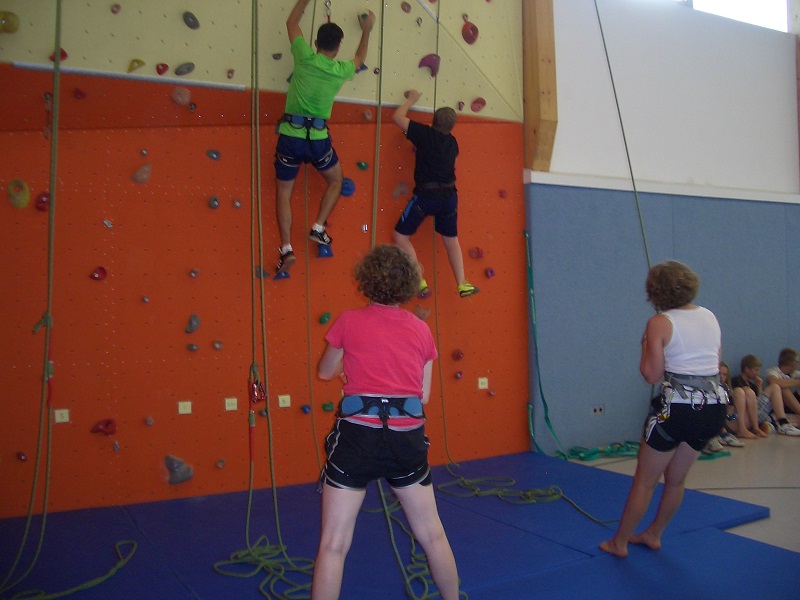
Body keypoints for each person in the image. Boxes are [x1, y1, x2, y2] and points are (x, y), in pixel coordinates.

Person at [313, 245, 460, 600]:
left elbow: (325, 371)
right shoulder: (421, 330)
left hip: (357, 440)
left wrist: (351, 363)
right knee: (433, 535)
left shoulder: (348, 321)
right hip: (405, 440)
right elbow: (423, 395)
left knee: (333, 544)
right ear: (408, 285)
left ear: (366, 281)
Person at [600, 260, 727, 558]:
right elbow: (715, 362)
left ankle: (619, 543)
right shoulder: (709, 315)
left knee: (645, 481)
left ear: (655, 292)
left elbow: (651, 375)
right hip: (713, 408)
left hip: (678, 410)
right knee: (676, 479)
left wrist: (646, 345)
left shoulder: (659, 323)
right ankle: (654, 534)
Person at [273, 1, 375, 275]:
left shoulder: (304, 56)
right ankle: (318, 227)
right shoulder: (341, 70)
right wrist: (366, 30)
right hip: (318, 139)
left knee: (284, 192)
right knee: (336, 181)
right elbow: (360, 59)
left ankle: (286, 249)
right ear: (338, 47)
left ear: (316, 43)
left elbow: (292, 23)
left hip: (291, 136)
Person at [391, 90, 479, 299]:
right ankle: (462, 283)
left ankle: (418, 279)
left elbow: (397, 117)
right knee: (451, 240)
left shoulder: (424, 134)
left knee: (400, 237)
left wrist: (411, 99)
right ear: (451, 127)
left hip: (426, 196)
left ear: (432, 121)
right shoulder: (453, 143)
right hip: (448, 197)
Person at [732, 354, 800, 436]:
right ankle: (782, 423)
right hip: (745, 414)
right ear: (746, 369)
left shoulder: (752, 384)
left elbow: (758, 401)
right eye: (756, 370)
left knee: (796, 418)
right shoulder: (737, 380)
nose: (758, 373)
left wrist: (759, 386)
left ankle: (774, 423)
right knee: (775, 387)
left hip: (755, 412)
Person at [703, 361, 745, 452]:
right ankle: (716, 436)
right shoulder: (706, 388)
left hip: (725, 420)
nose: (721, 377)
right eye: (719, 374)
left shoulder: (726, 389)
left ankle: (721, 434)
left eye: (724, 374)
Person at [765, 347, 800, 419]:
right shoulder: (773, 371)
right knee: (783, 389)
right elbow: (773, 381)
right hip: (774, 406)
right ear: (792, 363)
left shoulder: (794, 373)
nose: (798, 364)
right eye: (797, 362)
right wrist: (798, 382)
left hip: (789, 406)